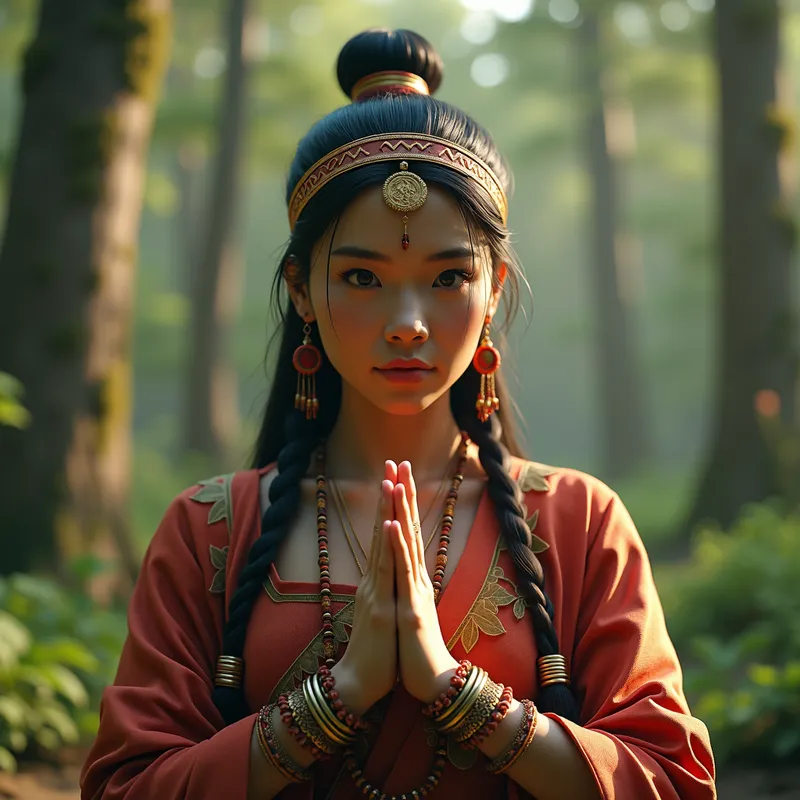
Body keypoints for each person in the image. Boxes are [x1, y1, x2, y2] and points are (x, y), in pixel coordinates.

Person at [80, 28, 716, 800]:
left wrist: (453, 688)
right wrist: (340, 694)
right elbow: (125, 788)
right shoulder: (210, 531)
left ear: (495, 292)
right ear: (303, 290)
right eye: (361, 276)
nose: (408, 321)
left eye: (448, 278)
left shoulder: (579, 523)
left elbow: (672, 783)